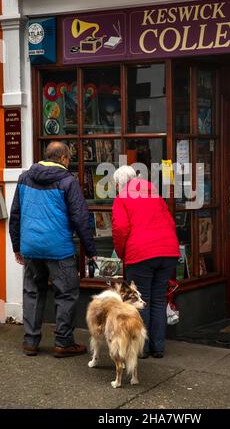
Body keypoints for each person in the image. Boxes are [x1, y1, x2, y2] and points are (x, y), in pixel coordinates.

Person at [9, 142, 97, 357]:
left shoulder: (25, 177)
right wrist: (91, 249)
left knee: (33, 292)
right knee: (66, 294)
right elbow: (80, 217)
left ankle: (30, 342)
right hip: (59, 248)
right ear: (64, 158)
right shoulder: (68, 180)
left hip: (30, 246)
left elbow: (16, 215)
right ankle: (63, 342)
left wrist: (17, 247)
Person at [112, 166, 180, 359]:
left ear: (119, 184)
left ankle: (141, 348)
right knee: (158, 299)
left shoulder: (122, 198)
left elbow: (120, 228)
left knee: (141, 301)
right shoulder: (154, 194)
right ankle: (158, 347)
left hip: (141, 253)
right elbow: (170, 221)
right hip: (167, 251)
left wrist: (121, 252)